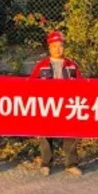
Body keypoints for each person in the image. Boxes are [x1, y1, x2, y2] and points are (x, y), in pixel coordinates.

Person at [28, 30, 83, 176]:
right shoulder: (41, 66)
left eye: (60, 46)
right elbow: (31, 84)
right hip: (47, 105)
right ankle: (46, 163)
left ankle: (71, 164)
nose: (57, 49)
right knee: (45, 134)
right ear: (49, 47)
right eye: (54, 46)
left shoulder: (71, 65)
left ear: (64, 47)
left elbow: (81, 84)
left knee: (70, 133)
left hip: (67, 105)